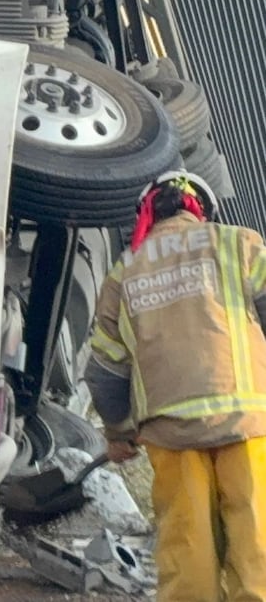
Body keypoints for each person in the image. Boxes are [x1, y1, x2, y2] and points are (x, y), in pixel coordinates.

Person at [84, 169, 266, 602]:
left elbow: (104, 371)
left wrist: (119, 433)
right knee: (258, 545)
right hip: (247, 424)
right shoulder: (238, 244)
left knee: (188, 556)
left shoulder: (125, 273)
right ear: (202, 208)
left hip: (171, 435)